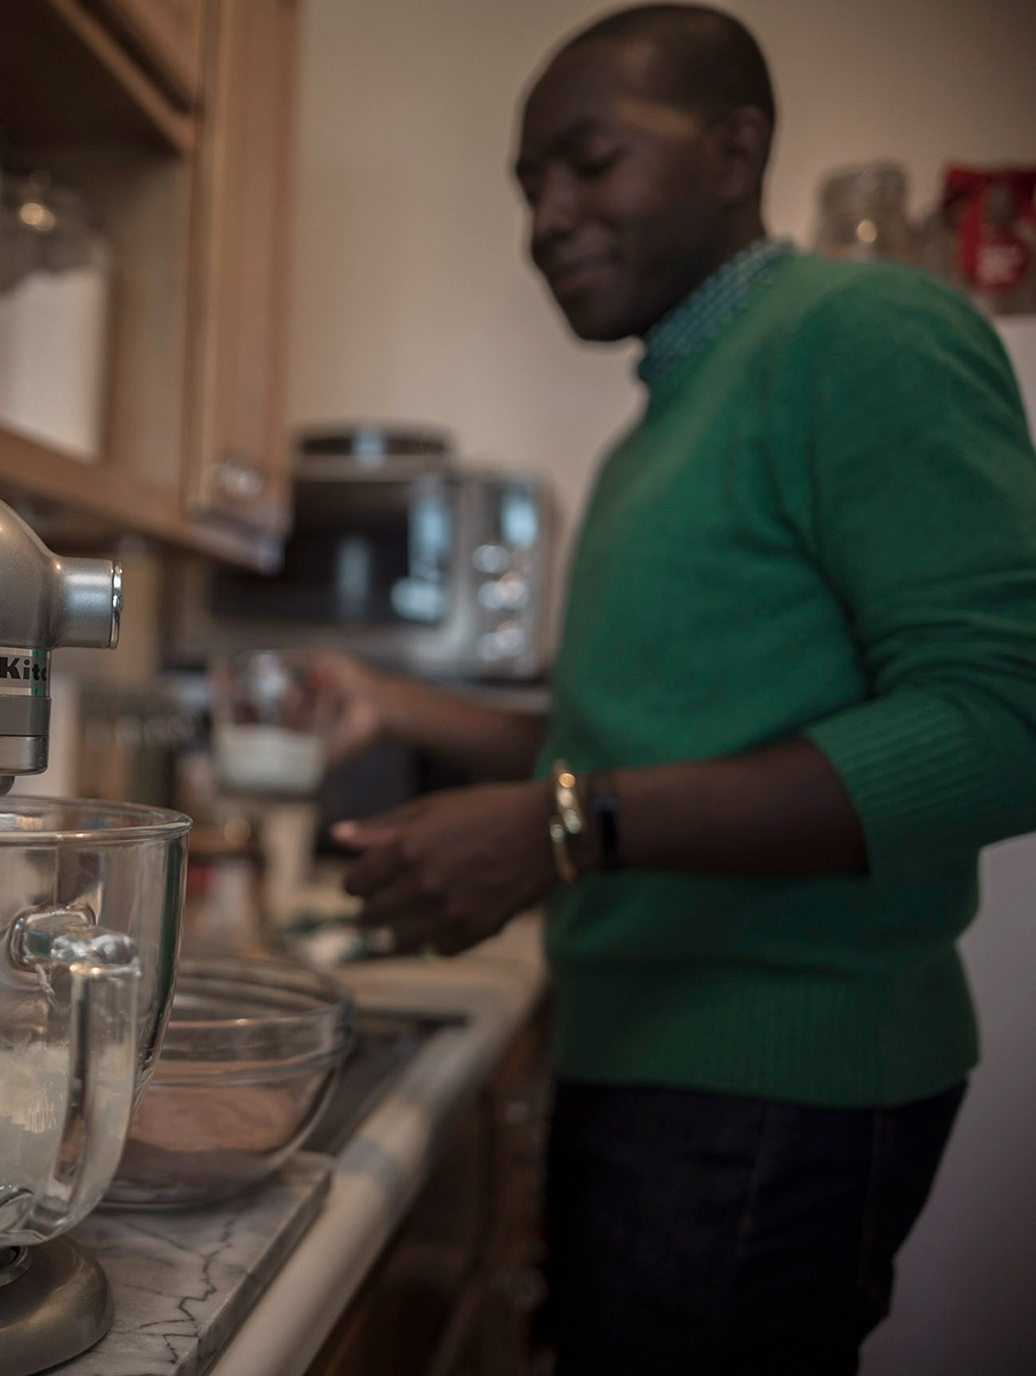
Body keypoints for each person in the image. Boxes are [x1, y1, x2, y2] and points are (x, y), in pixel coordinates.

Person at [307, 6, 1036, 1373]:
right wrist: (396, 706)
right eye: (528, 184)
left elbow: (1007, 721)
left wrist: (565, 826)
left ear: (735, 151)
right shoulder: (657, 430)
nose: (546, 218)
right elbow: (629, 744)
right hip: (648, 1059)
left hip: (769, 1085)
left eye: (591, 162)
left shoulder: (867, 333)